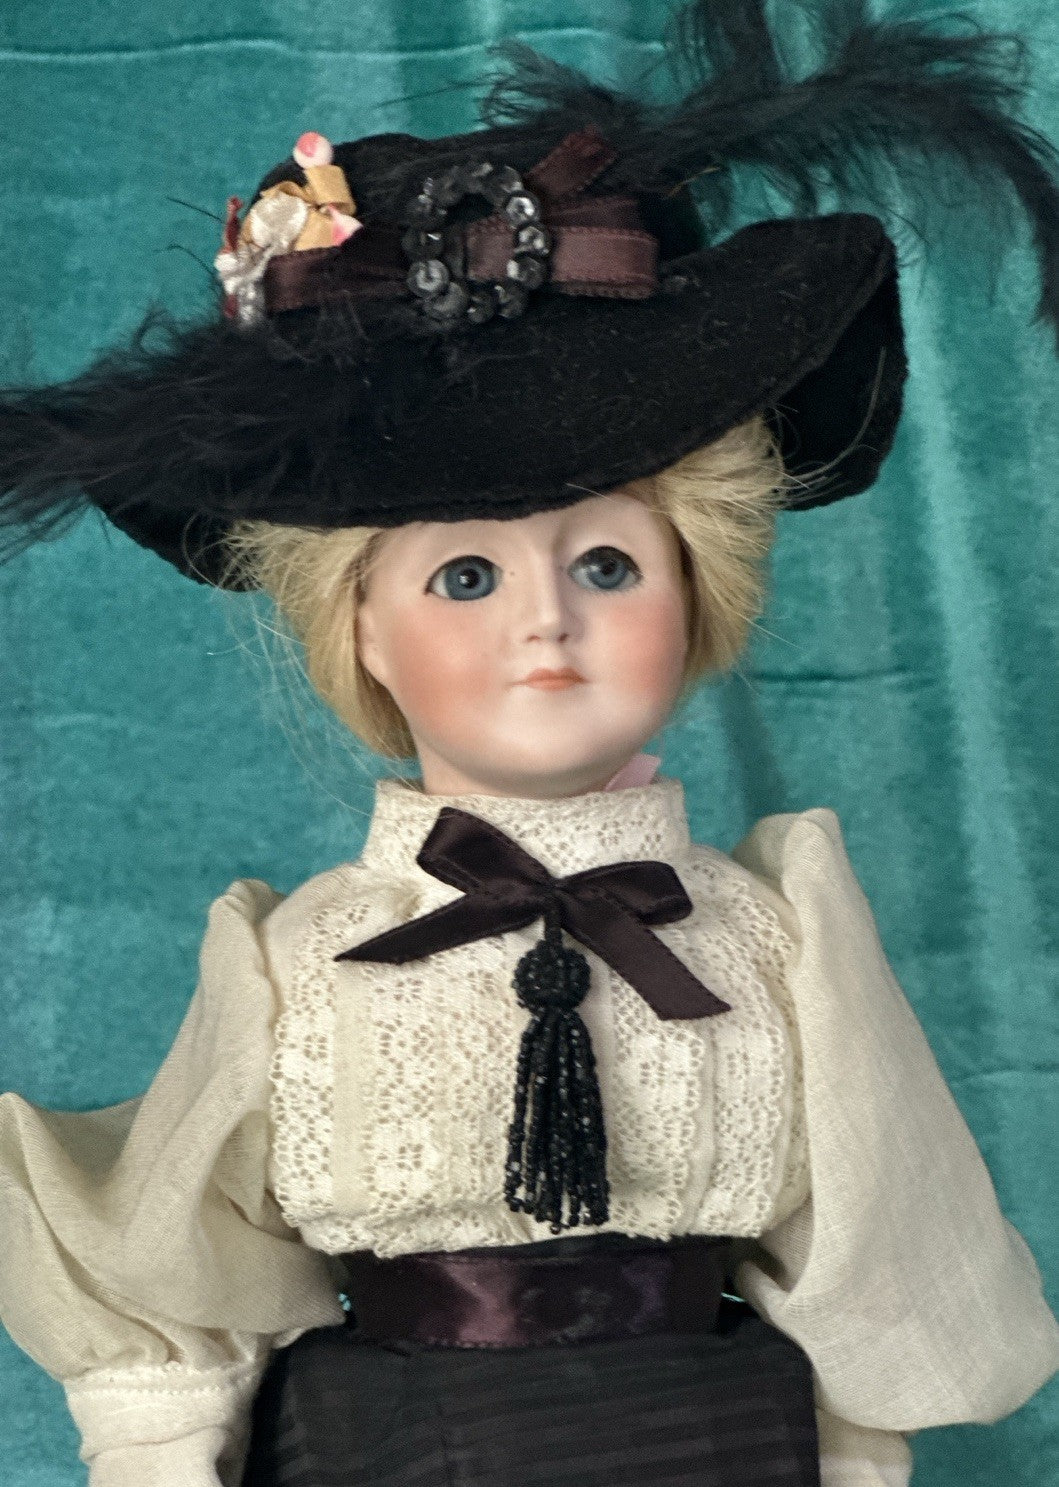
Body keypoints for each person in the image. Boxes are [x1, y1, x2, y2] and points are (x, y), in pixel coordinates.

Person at [0, 4, 1056, 1484]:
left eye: (608, 564)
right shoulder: (303, 960)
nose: (545, 623)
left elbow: (864, 1288)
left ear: (696, 588)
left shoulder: (774, 942)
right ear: (363, 631)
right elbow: (189, 1292)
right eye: (463, 577)